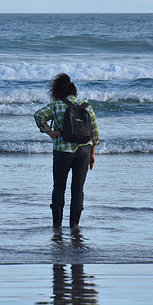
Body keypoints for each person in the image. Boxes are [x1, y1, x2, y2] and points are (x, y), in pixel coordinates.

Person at [34, 73, 99, 230]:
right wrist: (92, 154)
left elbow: (38, 115)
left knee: (59, 187)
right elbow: (95, 133)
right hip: (84, 151)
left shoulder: (57, 105)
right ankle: (74, 225)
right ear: (75, 93)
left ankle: (57, 225)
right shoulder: (87, 107)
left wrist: (49, 131)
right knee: (78, 188)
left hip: (63, 151)